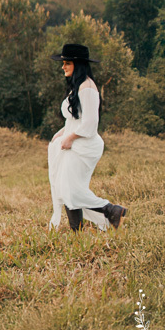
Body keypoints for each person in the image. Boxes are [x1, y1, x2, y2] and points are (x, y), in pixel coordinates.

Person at [47, 43, 127, 232]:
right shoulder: (77, 87)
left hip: (85, 144)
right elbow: (75, 120)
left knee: (72, 190)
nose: (63, 67)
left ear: (78, 64)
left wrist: (70, 138)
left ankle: (111, 210)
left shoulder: (88, 87)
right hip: (75, 142)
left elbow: (90, 123)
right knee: (67, 188)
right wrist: (60, 134)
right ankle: (77, 232)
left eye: (67, 63)